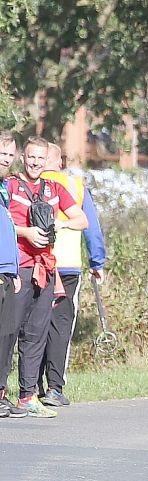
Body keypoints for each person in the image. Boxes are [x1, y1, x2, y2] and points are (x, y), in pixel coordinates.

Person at [0, 137, 88, 418]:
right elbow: (4, 220)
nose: (35, 163)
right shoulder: (11, 185)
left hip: (46, 269)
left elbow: (81, 219)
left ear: (47, 159)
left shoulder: (54, 187)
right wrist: (25, 232)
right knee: (8, 333)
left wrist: (59, 223)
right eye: (31, 157)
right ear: (22, 158)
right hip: (18, 268)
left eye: (40, 158)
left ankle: (27, 396)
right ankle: (1, 393)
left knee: (36, 333)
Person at [37, 142, 107, 406]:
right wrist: (97, 263)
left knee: (34, 327)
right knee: (61, 327)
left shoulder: (26, 185)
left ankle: (30, 386)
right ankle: (54, 387)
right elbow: (92, 230)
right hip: (67, 266)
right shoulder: (76, 186)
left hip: (36, 264)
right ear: (60, 163)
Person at [0, 132, 26, 418]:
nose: (5, 159)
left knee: (6, 336)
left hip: (8, 270)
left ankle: (1, 393)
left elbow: (7, 230)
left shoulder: (5, 187)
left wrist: (15, 269)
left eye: (9, 155)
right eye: (1, 153)